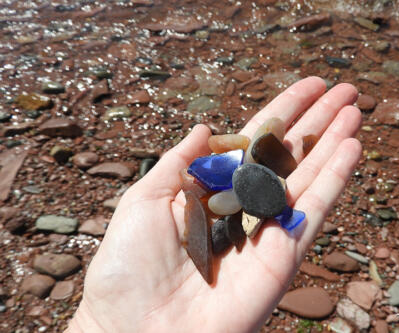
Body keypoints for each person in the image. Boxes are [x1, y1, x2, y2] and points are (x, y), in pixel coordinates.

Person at [65, 77, 362, 332]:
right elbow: (221, 203)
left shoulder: (237, 184)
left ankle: (280, 211)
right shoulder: (225, 193)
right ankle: (281, 212)